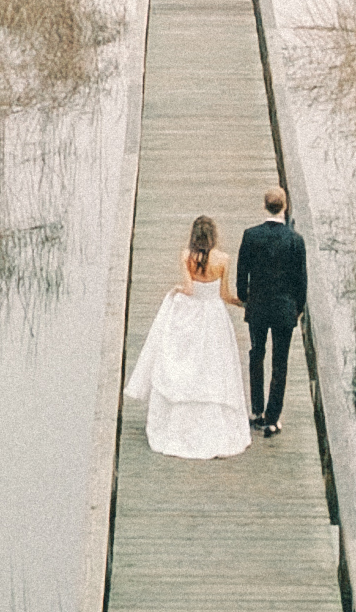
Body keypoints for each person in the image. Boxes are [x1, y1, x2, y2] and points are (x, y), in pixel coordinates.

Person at [124, 214, 250, 459]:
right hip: (214, 316)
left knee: (187, 363)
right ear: (214, 236)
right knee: (213, 366)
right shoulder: (223, 259)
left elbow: (190, 289)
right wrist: (242, 303)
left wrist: (176, 291)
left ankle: (178, 423)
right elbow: (224, 295)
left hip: (193, 314)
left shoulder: (186, 256)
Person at [236, 186, 307, 437]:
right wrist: (298, 308)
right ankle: (272, 417)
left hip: (258, 308)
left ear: (264, 206)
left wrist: (245, 299)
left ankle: (256, 410)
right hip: (284, 309)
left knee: (257, 355)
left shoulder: (250, 236)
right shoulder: (295, 240)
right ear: (285, 207)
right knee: (280, 362)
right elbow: (301, 281)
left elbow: (241, 274)